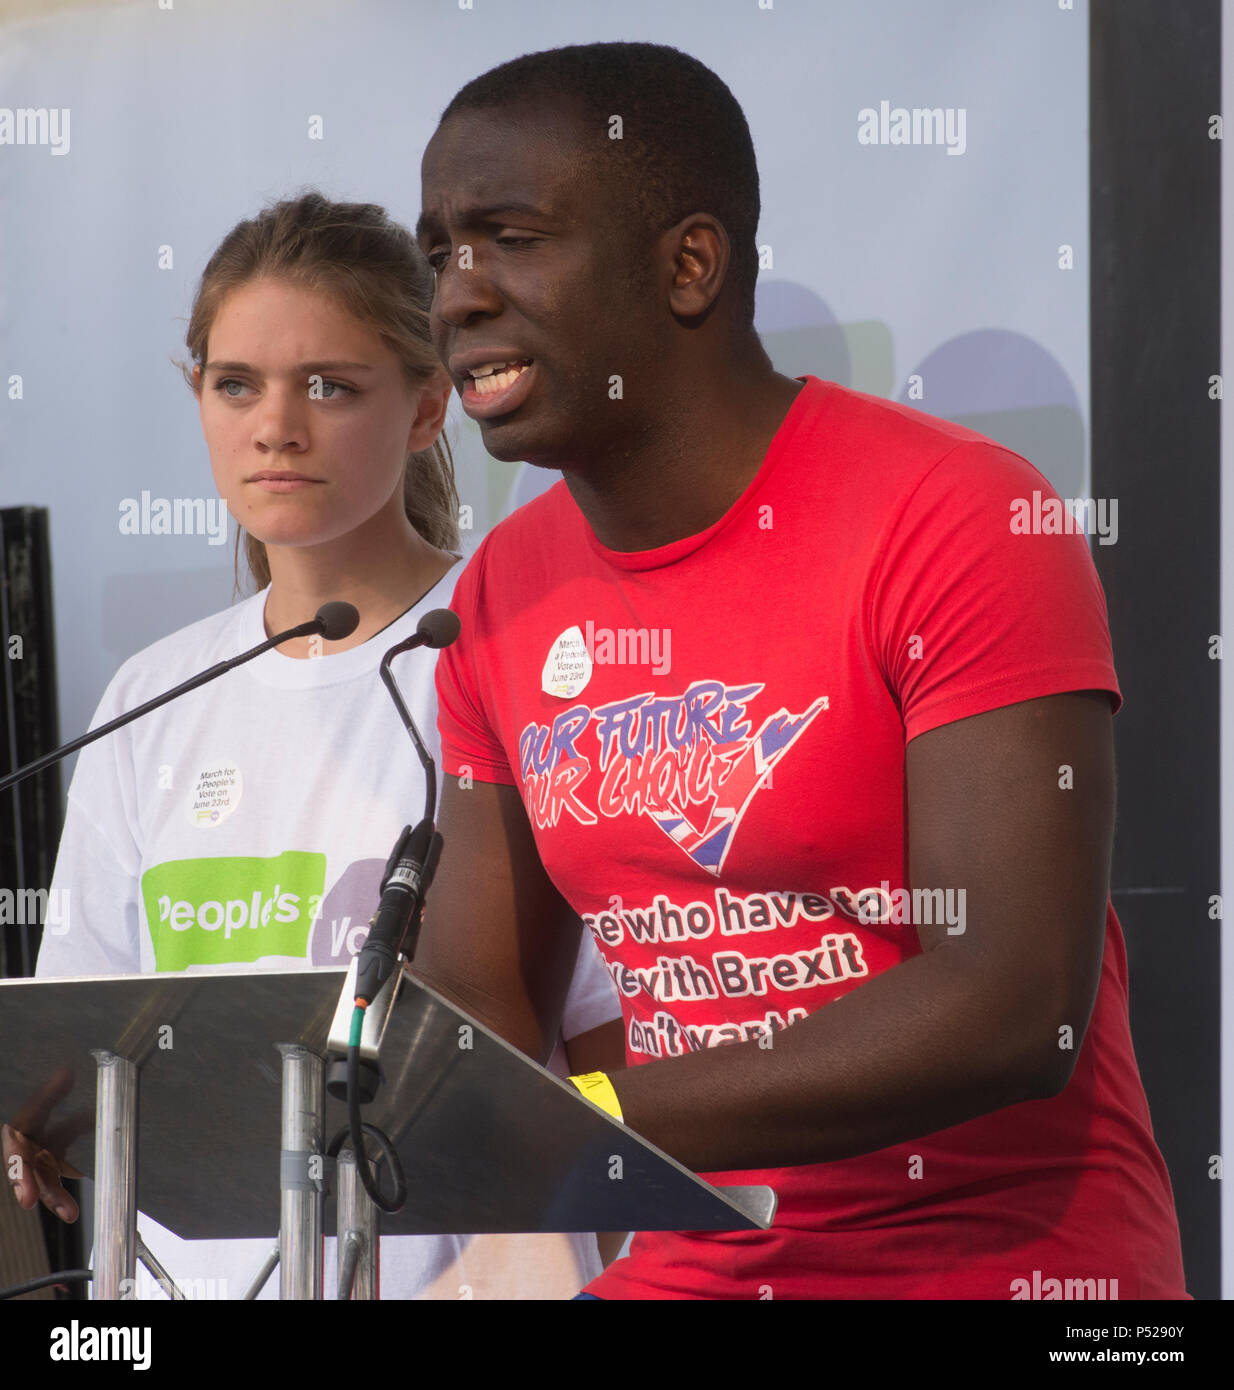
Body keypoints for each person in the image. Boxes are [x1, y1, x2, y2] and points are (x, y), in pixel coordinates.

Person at [409, 41, 1190, 1300]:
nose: (457, 294)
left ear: (688, 265)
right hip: (696, 1267)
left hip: (1005, 1269)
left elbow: (1009, 1003)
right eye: (439, 249)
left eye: (510, 237)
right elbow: (472, 1000)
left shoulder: (953, 515)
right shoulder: (500, 591)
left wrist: (589, 1116)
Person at [3, 192, 623, 1300]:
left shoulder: (522, 662)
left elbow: (605, 1064)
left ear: (430, 404)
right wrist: (33, 1127)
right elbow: (81, 1054)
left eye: (328, 386)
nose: (274, 426)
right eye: (235, 384)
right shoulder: (152, 693)